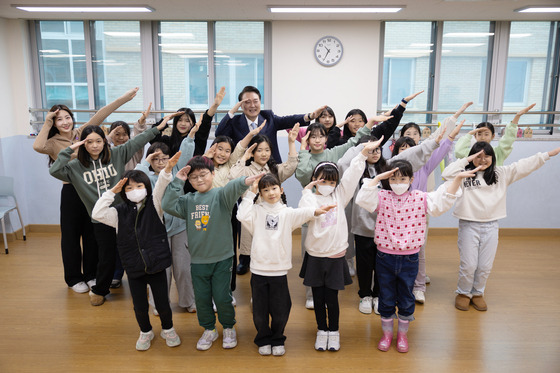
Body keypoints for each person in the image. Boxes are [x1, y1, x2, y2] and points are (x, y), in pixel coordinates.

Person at [49, 112, 171, 306]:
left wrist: (158, 127)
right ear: (83, 144)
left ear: (105, 142)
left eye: (99, 141)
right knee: (105, 256)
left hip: (124, 213)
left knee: (133, 250)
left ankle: (144, 285)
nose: (95, 145)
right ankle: (100, 289)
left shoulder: (116, 154)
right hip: (101, 218)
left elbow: (138, 141)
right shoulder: (75, 166)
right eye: (89, 142)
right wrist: (69, 150)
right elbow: (54, 170)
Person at [355, 160, 474, 353]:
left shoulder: (421, 197)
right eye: (393, 178)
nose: (398, 182)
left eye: (403, 178)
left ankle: (402, 335)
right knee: (385, 297)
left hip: (410, 258)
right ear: (387, 179)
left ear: (411, 179)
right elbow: (363, 199)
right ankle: (387, 335)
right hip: (385, 257)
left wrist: (457, 180)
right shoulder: (381, 196)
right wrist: (377, 178)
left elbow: (441, 201)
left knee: (406, 297)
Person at [32, 87, 138, 294]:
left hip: (92, 189)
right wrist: (47, 120)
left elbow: (102, 114)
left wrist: (123, 99)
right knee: (71, 236)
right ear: (53, 123)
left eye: (67, 117)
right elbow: (37, 146)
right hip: (71, 192)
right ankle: (73, 278)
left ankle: (91, 275)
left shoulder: (82, 132)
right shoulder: (53, 142)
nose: (65, 122)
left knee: (92, 235)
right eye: (59, 119)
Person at [442, 142, 560, 312]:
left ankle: (477, 293)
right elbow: (447, 173)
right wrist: (467, 159)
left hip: (491, 225)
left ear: (493, 158)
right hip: (468, 225)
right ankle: (463, 293)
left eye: (486, 156)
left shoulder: (501, 174)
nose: (482, 160)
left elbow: (523, 165)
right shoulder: (463, 174)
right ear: (472, 157)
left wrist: (546, 155)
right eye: (478, 156)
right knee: (468, 265)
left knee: (484, 266)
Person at [161, 155, 262, 351]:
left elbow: (232, 188)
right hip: (198, 260)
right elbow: (167, 205)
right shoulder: (188, 201)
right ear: (189, 181)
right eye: (194, 177)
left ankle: (228, 327)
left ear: (213, 174)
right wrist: (177, 181)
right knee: (202, 298)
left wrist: (245, 181)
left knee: (222, 297)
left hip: (222, 258)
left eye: (203, 175)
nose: (199, 180)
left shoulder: (221, 196)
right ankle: (209, 329)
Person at [298, 139, 384, 352]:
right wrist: (307, 192)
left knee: (332, 299)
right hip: (315, 256)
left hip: (335, 256)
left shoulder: (340, 196)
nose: (327, 185)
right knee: (318, 298)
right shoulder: (308, 198)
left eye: (331, 181)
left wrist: (363, 154)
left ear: (336, 183)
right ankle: (321, 330)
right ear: (314, 181)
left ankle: (333, 332)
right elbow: (304, 212)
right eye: (322, 181)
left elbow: (353, 174)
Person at [236, 173, 334, 356]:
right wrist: (251, 193)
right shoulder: (255, 211)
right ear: (261, 193)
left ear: (281, 190)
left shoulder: (287, 213)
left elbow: (303, 213)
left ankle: (277, 338)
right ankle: (263, 339)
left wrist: (317, 211)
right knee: (259, 310)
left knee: (281, 309)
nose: (270, 193)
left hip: (279, 270)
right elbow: (241, 215)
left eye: (274, 188)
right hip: (258, 269)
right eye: (265, 190)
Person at [91, 157, 183, 351]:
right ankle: (145, 331)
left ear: (146, 187)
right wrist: (111, 192)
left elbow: (162, 184)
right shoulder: (118, 213)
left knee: (162, 303)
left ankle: (168, 328)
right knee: (139, 305)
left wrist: (167, 169)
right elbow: (97, 213)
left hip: (156, 264)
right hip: (133, 267)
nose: (134, 191)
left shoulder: (155, 204)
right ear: (123, 192)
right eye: (129, 188)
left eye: (139, 186)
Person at [392, 102, 472, 304]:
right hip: (396, 215)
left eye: (413, 137)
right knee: (396, 251)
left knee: (419, 250)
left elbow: (441, 145)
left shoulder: (424, 166)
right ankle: (397, 285)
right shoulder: (392, 167)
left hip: (418, 213)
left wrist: (452, 132)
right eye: (403, 145)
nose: (408, 146)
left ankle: (418, 286)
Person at [136, 117, 201, 314]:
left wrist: (190, 137)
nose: (161, 162)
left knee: (183, 268)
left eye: (164, 158)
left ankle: (188, 301)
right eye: (155, 159)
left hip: (180, 228)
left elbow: (185, 154)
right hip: (157, 231)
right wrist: (145, 162)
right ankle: (158, 303)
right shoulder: (146, 178)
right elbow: (135, 177)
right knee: (160, 270)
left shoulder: (175, 173)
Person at [229, 125, 300, 275]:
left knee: (271, 247)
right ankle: (246, 260)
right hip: (254, 215)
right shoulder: (246, 171)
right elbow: (232, 176)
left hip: (272, 216)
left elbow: (291, 166)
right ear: (253, 152)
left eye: (267, 150)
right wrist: (244, 157)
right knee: (253, 247)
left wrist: (291, 143)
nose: (264, 154)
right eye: (259, 150)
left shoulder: (274, 170)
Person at [214, 85, 326, 163]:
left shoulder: (268, 117)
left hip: (270, 169)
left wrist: (310, 116)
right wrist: (231, 112)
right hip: (244, 172)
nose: (252, 105)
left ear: (260, 102)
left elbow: (288, 120)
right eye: (247, 102)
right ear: (241, 105)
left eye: (255, 101)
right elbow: (219, 134)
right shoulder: (234, 122)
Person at [106, 103, 152, 288]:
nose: (121, 137)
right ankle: (116, 274)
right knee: (117, 240)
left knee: (135, 237)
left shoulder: (134, 150)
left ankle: (139, 271)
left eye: (124, 134)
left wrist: (140, 123)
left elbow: (139, 138)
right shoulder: (107, 154)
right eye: (116, 134)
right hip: (115, 201)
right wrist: (108, 138)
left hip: (134, 199)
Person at [150, 87, 225, 158]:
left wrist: (215, 105)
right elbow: (152, 137)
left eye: (187, 121)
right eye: (180, 120)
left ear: (192, 123)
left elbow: (206, 120)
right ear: (175, 122)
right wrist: (166, 119)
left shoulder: (198, 138)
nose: (183, 124)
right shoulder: (168, 140)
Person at [454, 103, 535, 166]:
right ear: (475, 136)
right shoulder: (470, 153)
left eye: (486, 134)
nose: (483, 137)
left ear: (492, 136)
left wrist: (517, 117)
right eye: (479, 134)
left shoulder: (498, 152)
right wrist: (469, 134)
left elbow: (508, 140)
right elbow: (458, 151)